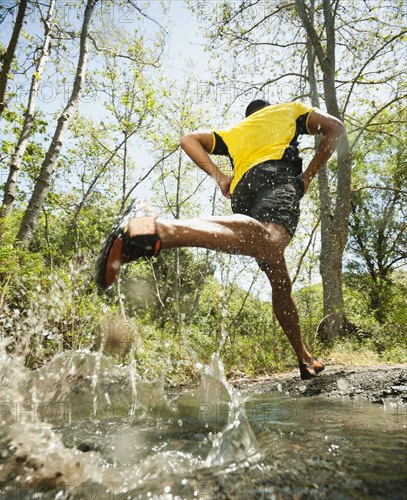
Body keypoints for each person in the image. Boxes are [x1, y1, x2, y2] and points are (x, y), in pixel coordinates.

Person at [95, 99, 345, 380]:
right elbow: (335, 128)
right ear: (267, 108)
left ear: (249, 116)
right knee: (273, 241)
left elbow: (188, 140)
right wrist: (308, 176)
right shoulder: (288, 109)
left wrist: (219, 177)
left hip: (243, 194)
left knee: (278, 276)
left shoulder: (235, 131)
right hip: (278, 177)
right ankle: (153, 229)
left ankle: (304, 357)